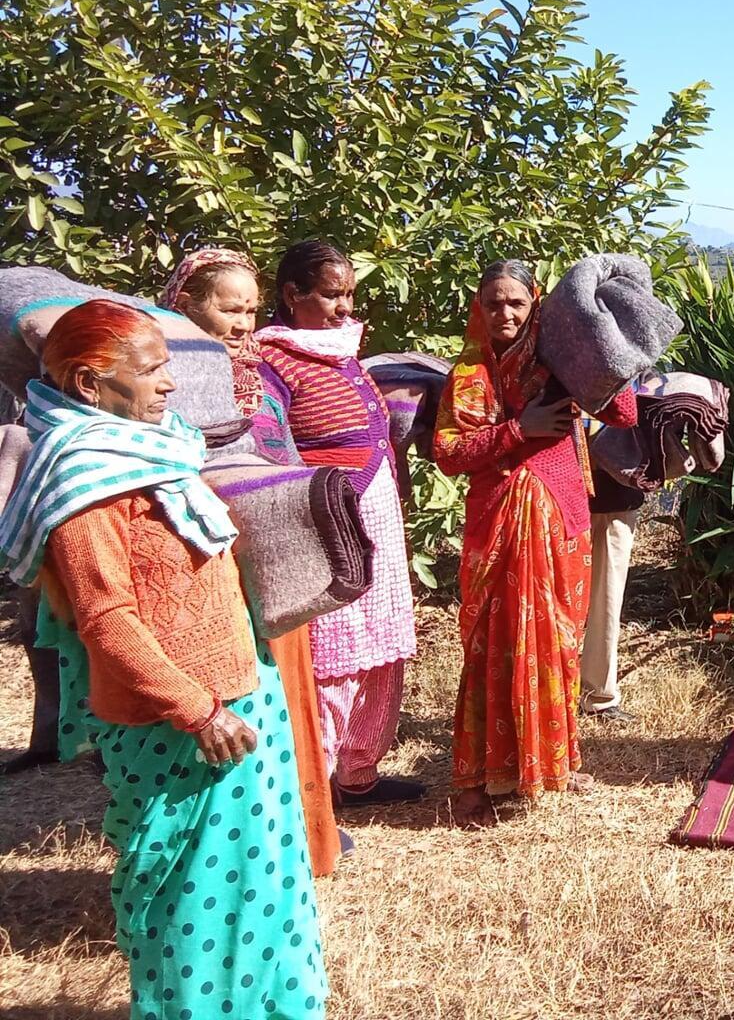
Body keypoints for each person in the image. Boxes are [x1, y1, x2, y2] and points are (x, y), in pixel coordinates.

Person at [0, 299, 327, 1019]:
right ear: (89, 383)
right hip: (178, 724)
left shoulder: (157, 446)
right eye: (151, 370)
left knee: (263, 882)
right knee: (191, 904)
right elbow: (105, 619)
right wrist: (196, 710)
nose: (169, 384)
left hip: (243, 688)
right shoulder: (83, 478)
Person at [161, 248, 344, 874]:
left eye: (248, 309)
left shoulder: (258, 373)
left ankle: (302, 833)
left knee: (285, 692)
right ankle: (236, 848)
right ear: (185, 305)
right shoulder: (162, 379)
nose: (241, 323)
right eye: (226, 308)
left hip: (271, 556)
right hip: (204, 568)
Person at [434, 260, 637, 825]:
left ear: (536, 304)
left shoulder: (560, 362)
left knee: (558, 641)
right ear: (479, 307)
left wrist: (599, 338)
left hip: (560, 514)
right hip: (497, 523)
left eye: (516, 303)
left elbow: (623, 412)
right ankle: (476, 782)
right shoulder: (468, 374)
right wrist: (519, 431)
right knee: (491, 645)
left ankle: (555, 761)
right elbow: (448, 452)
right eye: (494, 303)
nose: (505, 314)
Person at [258, 239, 422, 807]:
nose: (344, 307)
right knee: (334, 655)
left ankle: (357, 772)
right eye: (331, 295)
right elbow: (272, 450)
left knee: (381, 646)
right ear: (291, 294)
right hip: (328, 526)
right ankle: (315, 792)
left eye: (349, 293)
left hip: (374, 516)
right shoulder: (271, 361)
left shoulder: (340, 351)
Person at [583, 432, 644, 724]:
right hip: (552, 491)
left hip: (612, 496)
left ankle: (598, 695)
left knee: (606, 597)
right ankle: (552, 692)